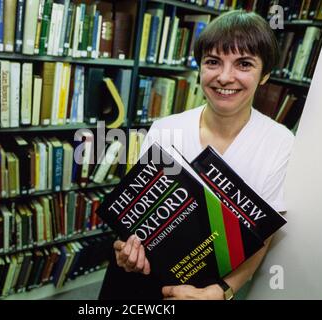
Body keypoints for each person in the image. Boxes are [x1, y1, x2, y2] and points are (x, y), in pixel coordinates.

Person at [99, 9, 295, 300]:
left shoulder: (281, 143)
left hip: (209, 290)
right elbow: (139, 217)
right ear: (200, 67)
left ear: (265, 74)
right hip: (141, 281)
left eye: (244, 64)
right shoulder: (164, 130)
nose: (225, 77)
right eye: (213, 62)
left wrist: (222, 291)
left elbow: (262, 238)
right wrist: (129, 248)